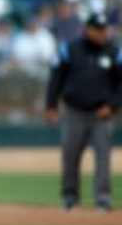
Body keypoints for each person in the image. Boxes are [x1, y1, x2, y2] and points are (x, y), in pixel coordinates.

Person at [45, 13, 122, 212]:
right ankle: (70, 198)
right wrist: (51, 106)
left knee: (103, 157)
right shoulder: (69, 49)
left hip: (101, 114)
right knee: (70, 156)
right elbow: (56, 78)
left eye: (104, 29)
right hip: (74, 112)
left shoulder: (114, 52)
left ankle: (103, 199)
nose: (102, 33)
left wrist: (113, 105)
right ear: (88, 29)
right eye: (98, 29)